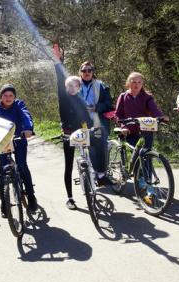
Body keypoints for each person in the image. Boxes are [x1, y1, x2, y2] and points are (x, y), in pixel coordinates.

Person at [0, 83, 39, 214]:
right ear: (1, 97)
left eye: (11, 95)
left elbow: (25, 115)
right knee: (3, 171)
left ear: (14, 97)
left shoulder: (19, 105)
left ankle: (31, 195)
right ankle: (4, 202)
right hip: (3, 142)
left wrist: (28, 129)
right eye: (5, 95)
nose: (8, 97)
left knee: (22, 165)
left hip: (19, 138)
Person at [53, 44, 94, 210]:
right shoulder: (63, 97)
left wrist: (91, 127)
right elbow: (60, 79)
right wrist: (58, 62)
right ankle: (70, 197)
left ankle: (93, 183)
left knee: (89, 159)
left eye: (75, 85)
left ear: (79, 87)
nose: (72, 88)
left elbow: (87, 118)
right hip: (68, 133)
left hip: (82, 133)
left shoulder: (81, 99)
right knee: (68, 165)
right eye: (69, 86)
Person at [77, 60, 114, 185]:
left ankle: (101, 174)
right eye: (84, 70)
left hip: (98, 121)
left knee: (101, 147)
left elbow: (109, 104)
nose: (87, 72)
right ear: (80, 73)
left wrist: (96, 107)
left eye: (89, 70)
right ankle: (97, 173)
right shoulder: (74, 85)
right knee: (91, 148)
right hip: (82, 122)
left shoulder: (101, 85)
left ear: (93, 72)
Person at [115, 72, 169, 150]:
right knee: (134, 157)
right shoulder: (123, 96)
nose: (136, 84)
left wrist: (161, 117)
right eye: (134, 82)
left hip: (146, 129)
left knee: (146, 155)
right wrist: (124, 127)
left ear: (142, 83)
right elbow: (118, 114)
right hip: (130, 131)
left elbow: (154, 110)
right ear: (128, 83)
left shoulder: (147, 97)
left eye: (139, 82)